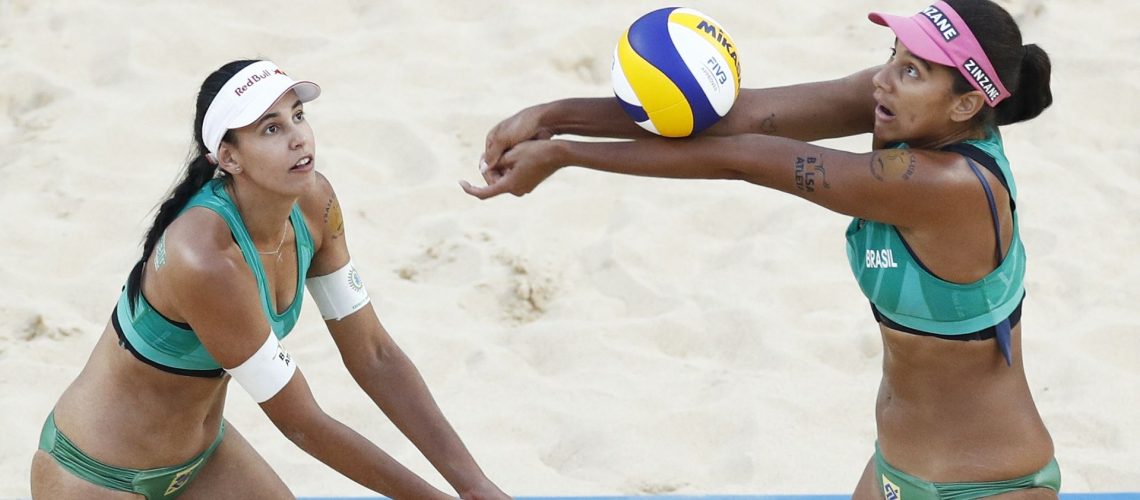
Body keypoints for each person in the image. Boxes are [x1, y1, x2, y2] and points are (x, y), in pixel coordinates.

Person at [463, 0, 1057, 497]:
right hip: (894, 469)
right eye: (891, 58)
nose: (882, 79)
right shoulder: (901, 108)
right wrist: (551, 116)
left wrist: (566, 154)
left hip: (987, 484)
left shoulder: (945, 186)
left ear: (966, 104)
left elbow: (740, 158)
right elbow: (736, 117)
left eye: (912, 71)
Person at [30, 60, 510, 500]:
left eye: (298, 116)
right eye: (271, 128)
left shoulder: (314, 205)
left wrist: (475, 485)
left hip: (202, 459)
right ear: (229, 158)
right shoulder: (205, 259)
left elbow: (374, 354)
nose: (298, 138)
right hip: (94, 475)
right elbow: (301, 421)